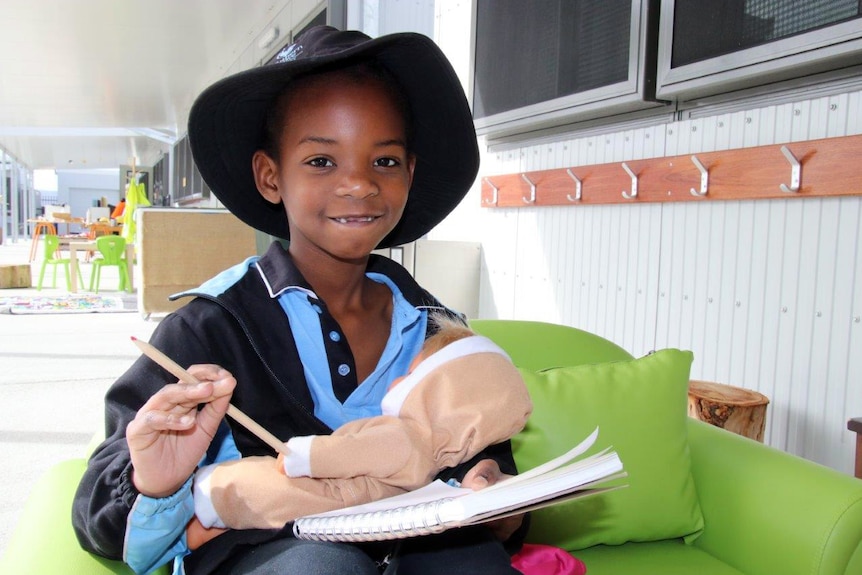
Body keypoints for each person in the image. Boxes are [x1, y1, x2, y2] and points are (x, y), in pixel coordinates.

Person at [72, 25, 528, 575]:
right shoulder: (208, 329)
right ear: (270, 176)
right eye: (321, 162)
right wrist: (155, 477)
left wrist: (496, 499)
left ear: (409, 174)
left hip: (414, 546)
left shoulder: (435, 328)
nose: (358, 185)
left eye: (383, 161)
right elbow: (97, 510)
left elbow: (487, 455)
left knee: (469, 560)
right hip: (267, 556)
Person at [191, 315, 533, 531]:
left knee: (265, 488)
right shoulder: (210, 321)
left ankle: (215, 499)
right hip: (351, 513)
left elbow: (357, 451)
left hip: (341, 500)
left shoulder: (405, 436)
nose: (397, 383)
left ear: (441, 395)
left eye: (412, 375)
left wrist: (309, 453)